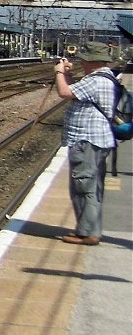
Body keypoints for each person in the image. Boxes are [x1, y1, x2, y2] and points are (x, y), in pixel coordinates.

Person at [53, 41, 118, 245]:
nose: (80, 61)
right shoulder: (103, 78)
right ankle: (89, 229)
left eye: (83, 58)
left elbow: (64, 92)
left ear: (91, 60)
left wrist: (59, 73)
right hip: (96, 139)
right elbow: (75, 91)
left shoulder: (97, 81)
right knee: (92, 185)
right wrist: (67, 75)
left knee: (84, 186)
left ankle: (88, 232)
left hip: (87, 140)